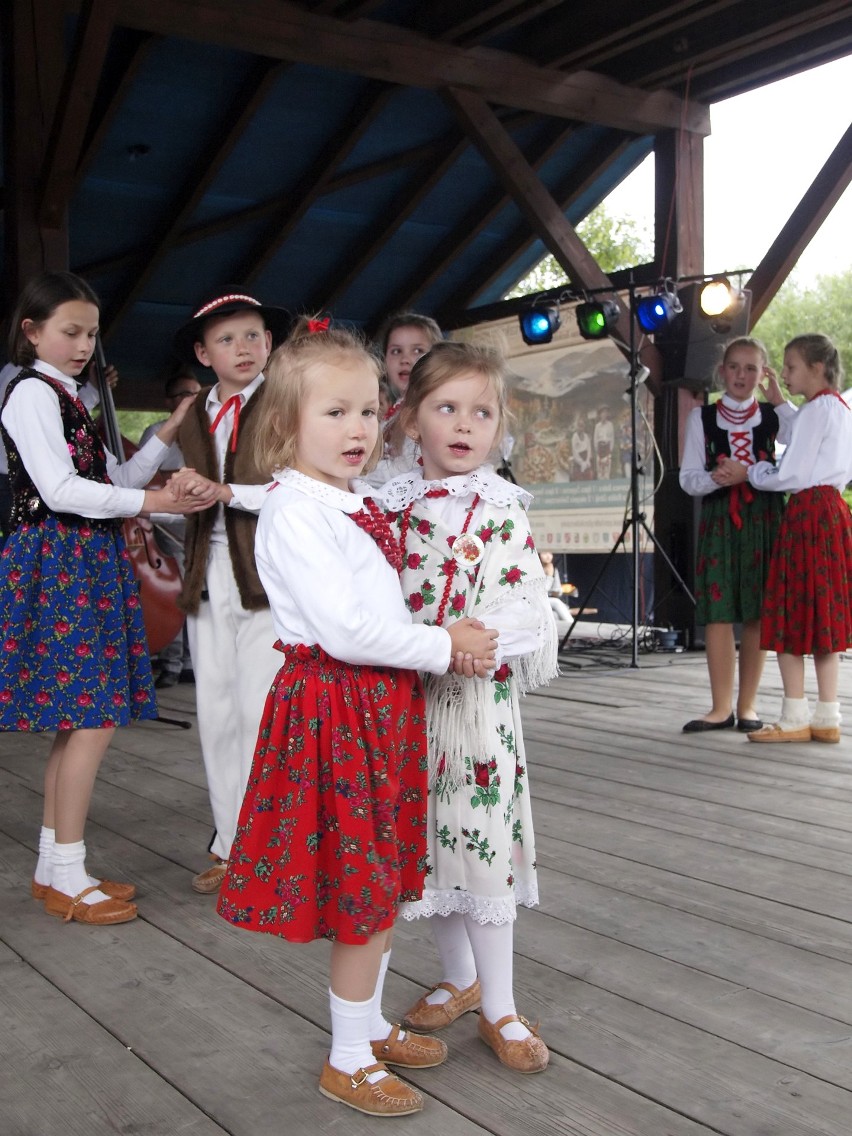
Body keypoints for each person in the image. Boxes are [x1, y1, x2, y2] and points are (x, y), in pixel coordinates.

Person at [216, 320, 499, 1117]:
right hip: (338, 708)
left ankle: (369, 1023)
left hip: (377, 706)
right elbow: (347, 632)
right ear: (284, 425)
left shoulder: (350, 500)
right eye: (333, 413)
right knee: (364, 890)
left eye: (369, 413)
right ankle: (346, 1057)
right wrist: (443, 641)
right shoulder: (297, 514)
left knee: (380, 870)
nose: (357, 430)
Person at [0, 270, 215, 925]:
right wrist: (155, 500)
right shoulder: (33, 394)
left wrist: (165, 435)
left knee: (81, 720)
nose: (84, 344)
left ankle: (54, 867)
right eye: (70, 331)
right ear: (32, 331)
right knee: (90, 719)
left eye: (91, 332)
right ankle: (67, 872)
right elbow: (64, 492)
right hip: (59, 562)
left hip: (82, 561)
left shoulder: (68, 395)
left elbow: (111, 480)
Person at [374, 340, 558, 1074]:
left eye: (480, 412)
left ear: (498, 424)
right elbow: (370, 602)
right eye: (445, 407)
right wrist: (424, 643)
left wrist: (474, 642)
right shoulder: (387, 508)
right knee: (426, 844)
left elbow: (529, 608)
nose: (463, 424)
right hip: (406, 702)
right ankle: (457, 975)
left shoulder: (502, 508)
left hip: (476, 707)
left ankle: (501, 1005)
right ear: (412, 418)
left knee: (480, 843)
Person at [167, 291, 292, 893]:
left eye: (253, 335)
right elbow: (160, 485)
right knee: (214, 712)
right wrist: (181, 489)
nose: (242, 348)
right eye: (226, 339)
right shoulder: (193, 415)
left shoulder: (288, 403)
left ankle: (269, 847)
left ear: (270, 342)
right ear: (202, 352)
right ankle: (229, 844)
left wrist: (224, 494)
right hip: (207, 578)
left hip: (268, 580)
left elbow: (303, 490)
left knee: (258, 714)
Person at [715, 334, 852, 743]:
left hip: (807, 514)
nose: (785, 374)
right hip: (833, 511)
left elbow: (791, 472)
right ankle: (828, 715)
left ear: (815, 368)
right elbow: (803, 433)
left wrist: (750, 473)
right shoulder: (840, 408)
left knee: (790, 611)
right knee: (824, 615)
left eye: (790, 368)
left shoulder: (815, 411)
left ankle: (794, 715)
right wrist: (778, 400)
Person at [679, 337, 790, 733]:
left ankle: (749, 706)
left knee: (757, 610)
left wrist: (779, 399)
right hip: (720, 517)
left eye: (751, 368)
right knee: (718, 609)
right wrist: (716, 477)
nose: (741, 375)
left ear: (763, 374)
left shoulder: (775, 416)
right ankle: (719, 707)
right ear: (722, 371)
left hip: (763, 516)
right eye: (735, 366)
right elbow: (688, 478)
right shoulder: (701, 418)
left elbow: (802, 450)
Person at [138, 366, 203, 688]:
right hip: (166, 525)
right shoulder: (157, 431)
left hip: (199, 522)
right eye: (185, 394)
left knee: (198, 592)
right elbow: (147, 480)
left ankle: (191, 661)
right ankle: (171, 662)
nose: (193, 400)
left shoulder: (208, 432)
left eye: (196, 393)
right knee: (173, 590)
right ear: (170, 401)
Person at [363, 310, 443, 487]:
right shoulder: (396, 410)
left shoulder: (434, 411)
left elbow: (408, 470)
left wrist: (356, 474)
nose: (405, 359)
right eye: (396, 351)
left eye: (417, 350)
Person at [593, 404, 614, 479]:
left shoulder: (610, 425)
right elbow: (595, 440)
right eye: (602, 413)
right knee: (600, 472)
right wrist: (598, 451)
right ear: (600, 415)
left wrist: (609, 451)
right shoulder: (597, 426)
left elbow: (612, 438)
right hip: (600, 450)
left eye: (605, 413)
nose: (604, 415)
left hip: (607, 449)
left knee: (607, 472)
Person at [570, 415, 592, 480]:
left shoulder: (586, 436)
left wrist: (587, 461)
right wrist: (581, 463)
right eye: (579, 426)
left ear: (584, 427)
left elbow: (589, 449)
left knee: (588, 478)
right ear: (577, 426)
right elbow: (575, 452)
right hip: (578, 462)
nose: (581, 428)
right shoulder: (575, 437)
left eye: (582, 426)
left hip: (586, 461)